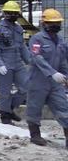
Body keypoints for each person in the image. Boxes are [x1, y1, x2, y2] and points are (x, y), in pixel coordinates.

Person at [25, 8, 68, 148]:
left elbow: (62, 61)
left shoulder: (60, 40)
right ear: (44, 23)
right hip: (38, 81)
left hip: (55, 84)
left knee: (63, 108)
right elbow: (37, 58)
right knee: (34, 107)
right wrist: (52, 73)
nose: (55, 25)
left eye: (57, 23)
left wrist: (65, 76)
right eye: (51, 23)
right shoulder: (36, 39)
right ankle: (35, 135)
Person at [0, 0, 30, 125]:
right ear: (5, 13)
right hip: (5, 62)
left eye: (15, 13)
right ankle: (5, 116)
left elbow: (22, 46)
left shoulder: (18, 28)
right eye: (10, 13)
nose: (12, 15)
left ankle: (9, 108)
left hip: (18, 62)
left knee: (26, 87)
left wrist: (30, 61)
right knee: (5, 91)